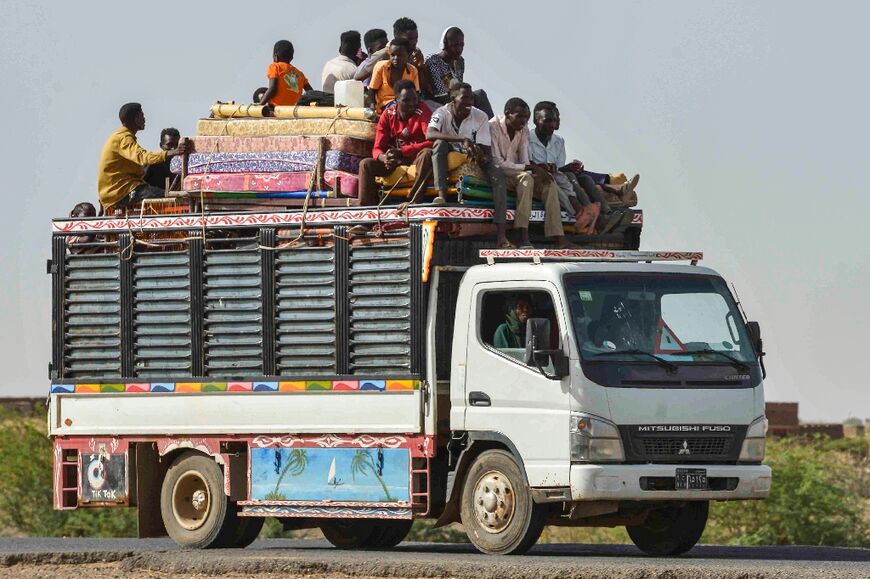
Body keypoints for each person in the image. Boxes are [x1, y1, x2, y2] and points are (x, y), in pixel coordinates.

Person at [426, 83, 511, 248]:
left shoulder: (480, 116)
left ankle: (501, 234)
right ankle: (441, 196)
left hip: (474, 154)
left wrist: (478, 153)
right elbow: (430, 133)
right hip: (453, 149)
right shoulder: (441, 112)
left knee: (498, 175)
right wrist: (462, 140)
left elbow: (486, 149)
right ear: (453, 98)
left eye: (471, 98)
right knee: (439, 144)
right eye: (464, 98)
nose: (469, 102)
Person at [489, 98, 574, 249]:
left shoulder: (523, 129)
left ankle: (559, 237)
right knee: (527, 179)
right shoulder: (493, 126)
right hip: (500, 174)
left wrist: (536, 170)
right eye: (520, 117)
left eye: (526, 118)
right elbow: (498, 164)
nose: (523, 121)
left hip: (517, 172)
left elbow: (524, 158)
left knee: (548, 182)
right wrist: (531, 168)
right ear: (507, 114)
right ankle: (523, 235)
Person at [529, 102, 619, 231]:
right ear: (536, 121)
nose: (552, 125)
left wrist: (571, 168)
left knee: (581, 177)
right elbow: (528, 164)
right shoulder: (526, 138)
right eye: (548, 121)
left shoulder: (559, 141)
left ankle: (605, 213)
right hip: (539, 177)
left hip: (557, 175)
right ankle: (584, 213)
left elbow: (558, 168)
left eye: (554, 121)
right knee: (557, 181)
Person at [97, 103, 186, 211]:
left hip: (124, 189)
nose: (144, 119)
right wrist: (174, 152)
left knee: (167, 195)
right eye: (142, 116)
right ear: (135, 119)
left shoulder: (121, 136)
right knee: (172, 198)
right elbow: (143, 157)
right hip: (121, 191)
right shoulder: (123, 138)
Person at [357, 79, 433, 206]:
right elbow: (377, 148)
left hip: (416, 157)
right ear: (396, 100)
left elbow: (431, 141)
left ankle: (414, 201)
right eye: (406, 100)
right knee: (365, 164)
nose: (412, 104)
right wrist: (384, 158)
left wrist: (403, 151)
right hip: (396, 160)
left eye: (414, 99)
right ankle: (365, 215)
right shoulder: (388, 114)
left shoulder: (423, 110)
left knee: (427, 153)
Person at [424, 27, 494, 118]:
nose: (459, 49)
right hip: (437, 102)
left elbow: (460, 87)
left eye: (462, 45)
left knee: (480, 94)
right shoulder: (433, 61)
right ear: (444, 44)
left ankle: (491, 129)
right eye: (455, 46)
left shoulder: (460, 61)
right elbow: (440, 95)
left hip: (456, 97)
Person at [368, 38, 419, 112]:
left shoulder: (412, 70)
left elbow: (416, 93)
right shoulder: (381, 67)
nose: (396, 58)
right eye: (392, 55)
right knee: (397, 107)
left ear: (408, 55)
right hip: (384, 105)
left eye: (400, 55)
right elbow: (372, 90)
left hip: (406, 103)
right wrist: (372, 107)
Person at [258, 40, 312, 107]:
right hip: (292, 109)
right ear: (292, 57)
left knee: (259, 93)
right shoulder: (300, 74)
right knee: (264, 91)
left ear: (275, 57)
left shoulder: (275, 66)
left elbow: (272, 88)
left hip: (276, 108)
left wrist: (260, 105)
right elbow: (311, 92)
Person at [392, 17, 431, 95]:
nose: (414, 42)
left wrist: (420, 68)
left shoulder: (415, 54)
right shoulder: (386, 56)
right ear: (397, 38)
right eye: (409, 39)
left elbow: (421, 88)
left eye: (416, 38)